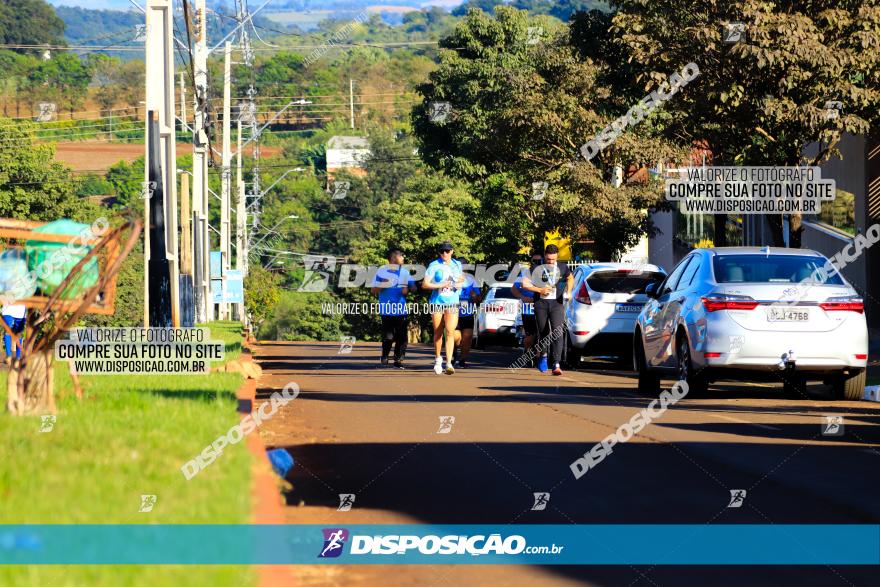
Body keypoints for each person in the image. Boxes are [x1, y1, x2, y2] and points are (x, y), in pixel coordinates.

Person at [521, 244, 573, 375]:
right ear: (545, 256)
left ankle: (556, 363)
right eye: (549, 259)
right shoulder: (536, 268)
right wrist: (539, 290)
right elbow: (524, 284)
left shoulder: (562, 267)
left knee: (557, 331)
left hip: (557, 303)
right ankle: (543, 356)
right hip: (541, 303)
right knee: (543, 332)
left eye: (553, 259)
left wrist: (569, 291)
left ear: (557, 257)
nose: (551, 262)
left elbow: (570, 277)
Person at [422, 241, 465, 375]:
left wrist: (458, 284)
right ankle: (438, 359)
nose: (445, 254)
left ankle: (449, 363)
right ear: (439, 253)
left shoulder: (457, 264)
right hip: (437, 302)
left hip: (452, 301)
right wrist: (440, 285)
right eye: (442, 251)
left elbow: (461, 279)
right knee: (438, 332)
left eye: (447, 251)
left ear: (452, 251)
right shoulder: (434, 265)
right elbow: (425, 285)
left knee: (450, 331)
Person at [370, 249, 415, 369]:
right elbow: (373, 290)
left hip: (401, 310)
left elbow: (414, 287)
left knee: (402, 337)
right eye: (401, 256)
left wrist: (408, 288)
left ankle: (398, 359)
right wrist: (382, 284)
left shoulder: (405, 272)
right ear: (393, 258)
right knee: (388, 336)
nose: (403, 258)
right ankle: (385, 356)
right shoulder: (381, 271)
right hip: (387, 309)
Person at [512, 251, 542, 366]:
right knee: (530, 336)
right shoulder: (525, 274)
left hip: (542, 307)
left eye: (540, 261)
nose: (537, 263)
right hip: (528, 309)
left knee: (541, 334)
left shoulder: (546, 273)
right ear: (531, 262)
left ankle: (540, 357)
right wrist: (523, 297)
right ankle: (527, 351)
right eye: (535, 261)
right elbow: (514, 290)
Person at [453, 261, 481, 368]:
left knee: (467, 338)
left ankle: (462, 360)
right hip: (454, 313)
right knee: (456, 338)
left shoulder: (471, 280)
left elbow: (479, 299)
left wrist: (474, 297)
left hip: (467, 313)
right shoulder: (451, 279)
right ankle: (453, 353)